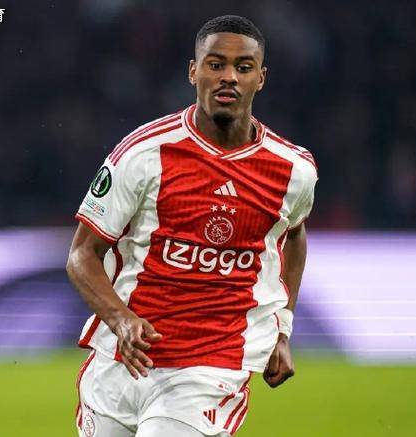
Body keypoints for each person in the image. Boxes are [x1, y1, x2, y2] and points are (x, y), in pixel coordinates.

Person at [67, 15, 317, 436]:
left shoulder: (293, 170)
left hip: (211, 365)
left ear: (260, 78)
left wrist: (282, 329)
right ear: (193, 71)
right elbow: (81, 254)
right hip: (122, 360)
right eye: (215, 64)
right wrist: (121, 319)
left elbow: (293, 236)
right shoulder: (143, 153)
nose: (228, 77)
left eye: (243, 67)